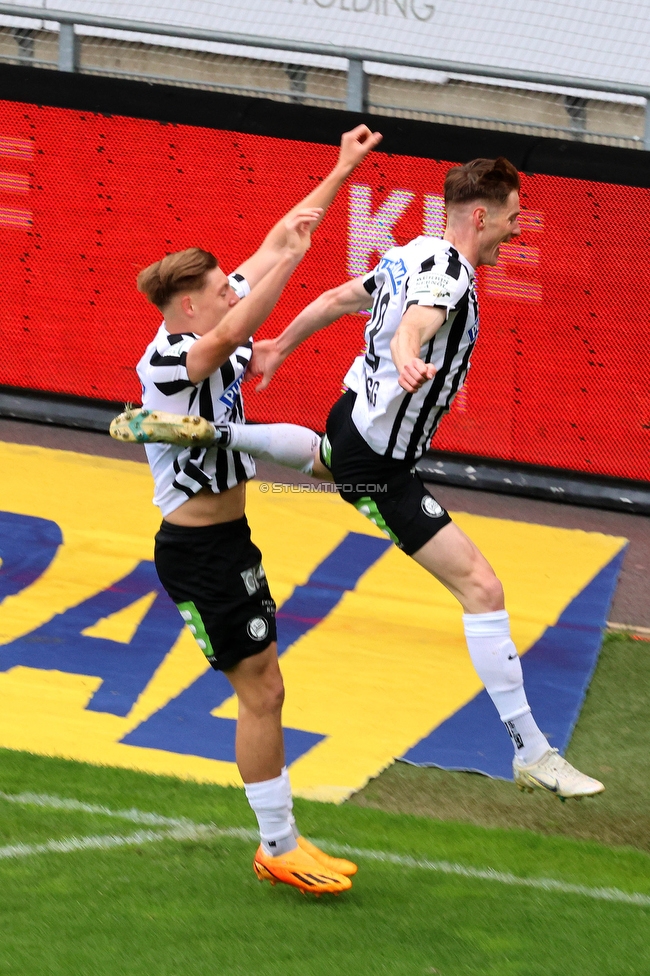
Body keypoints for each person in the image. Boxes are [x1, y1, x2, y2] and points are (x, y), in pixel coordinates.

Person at [117, 157, 605, 802]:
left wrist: (282, 344)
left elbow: (333, 295)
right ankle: (532, 752)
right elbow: (412, 326)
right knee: (482, 590)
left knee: (323, 460)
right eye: (513, 218)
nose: (517, 230)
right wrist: (405, 359)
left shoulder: (417, 250)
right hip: (377, 464)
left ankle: (222, 435)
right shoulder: (449, 275)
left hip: (349, 426)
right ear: (481, 216)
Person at [130, 124, 383, 897]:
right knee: (262, 689)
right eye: (216, 289)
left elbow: (280, 239)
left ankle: (281, 839)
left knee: (267, 682)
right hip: (196, 552)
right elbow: (241, 326)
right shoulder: (173, 358)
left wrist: (339, 171)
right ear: (185, 308)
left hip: (232, 537)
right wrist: (280, 275)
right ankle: (278, 844)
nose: (230, 290)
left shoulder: (207, 316)